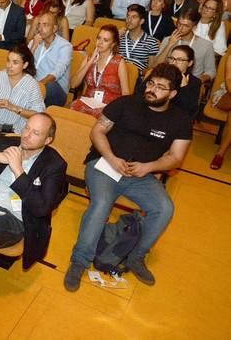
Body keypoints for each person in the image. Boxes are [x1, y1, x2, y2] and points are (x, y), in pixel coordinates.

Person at [65, 64, 192, 291]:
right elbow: (97, 131)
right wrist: (112, 158)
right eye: (151, 83)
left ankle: (136, 256)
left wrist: (149, 167)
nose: (152, 89)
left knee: (164, 209)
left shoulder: (180, 121)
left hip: (140, 174)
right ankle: (80, 260)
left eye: (161, 87)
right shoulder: (125, 103)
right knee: (102, 203)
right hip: (105, 165)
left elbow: (176, 157)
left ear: (172, 94)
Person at [0, 113, 67, 266]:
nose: (26, 135)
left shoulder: (54, 165)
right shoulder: (5, 144)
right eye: (27, 128)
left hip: (12, 219)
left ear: (48, 140)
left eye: (35, 133)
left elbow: (41, 208)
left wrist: (19, 172)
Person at [70, 25, 130, 117]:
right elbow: (73, 84)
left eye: (105, 40)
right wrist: (90, 62)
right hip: (88, 102)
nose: (100, 42)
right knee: (74, 107)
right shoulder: (89, 58)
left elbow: (126, 93)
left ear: (113, 43)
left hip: (110, 105)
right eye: (99, 38)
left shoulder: (119, 62)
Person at [154, 9, 215, 84]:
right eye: (179, 24)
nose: (180, 28)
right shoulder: (168, 40)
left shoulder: (206, 45)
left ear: (194, 27)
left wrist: (197, 82)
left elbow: (211, 71)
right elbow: (156, 66)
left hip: (191, 83)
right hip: (167, 82)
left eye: (186, 26)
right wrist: (169, 44)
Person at [141, 45, 201, 119]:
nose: (173, 62)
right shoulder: (159, 72)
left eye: (179, 60)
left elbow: (190, 111)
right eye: (172, 58)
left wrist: (184, 88)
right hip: (149, 111)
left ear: (190, 63)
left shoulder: (195, 82)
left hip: (173, 118)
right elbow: (139, 92)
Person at [28, 13, 73, 107]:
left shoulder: (65, 46)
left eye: (45, 25)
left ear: (54, 28)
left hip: (55, 90)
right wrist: (34, 46)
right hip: (34, 85)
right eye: (39, 24)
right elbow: (24, 65)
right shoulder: (34, 42)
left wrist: (38, 85)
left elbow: (57, 72)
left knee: (50, 86)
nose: (40, 29)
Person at [119, 4, 160, 74]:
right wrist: (115, 38)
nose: (129, 20)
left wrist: (135, 74)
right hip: (117, 74)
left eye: (134, 17)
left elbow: (151, 68)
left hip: (137, 78)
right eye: (128, 16)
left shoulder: (152, 42)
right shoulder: (120, 37)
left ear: (141, 21)